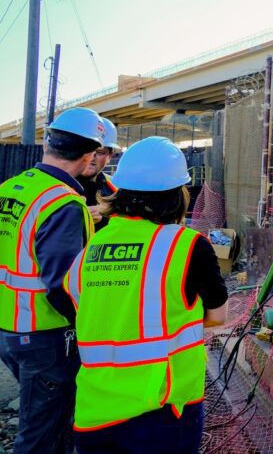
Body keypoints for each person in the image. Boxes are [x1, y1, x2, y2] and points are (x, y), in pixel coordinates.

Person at [63, 136, 227, 454]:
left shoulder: (93, 245)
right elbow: (217, 316)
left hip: (94, 409)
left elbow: (79, 305)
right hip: (164, 408)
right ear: (179, 194)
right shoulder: (187, 245)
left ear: (120, 191)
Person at [0, 107, 104, 454]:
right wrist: (88, 325)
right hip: (43, 335)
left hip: (9, 328)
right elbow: (62, 285)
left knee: (48, 421)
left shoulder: (13, 187)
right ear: (89, 155)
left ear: (48, 143)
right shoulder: (63, 203)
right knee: (40, 433)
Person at [78, 117, 118, 230]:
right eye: (87, 150)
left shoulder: (115, 190)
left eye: (99, 152)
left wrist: (103, 220)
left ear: (110, 156)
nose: (91, 157)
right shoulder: (56, 186)